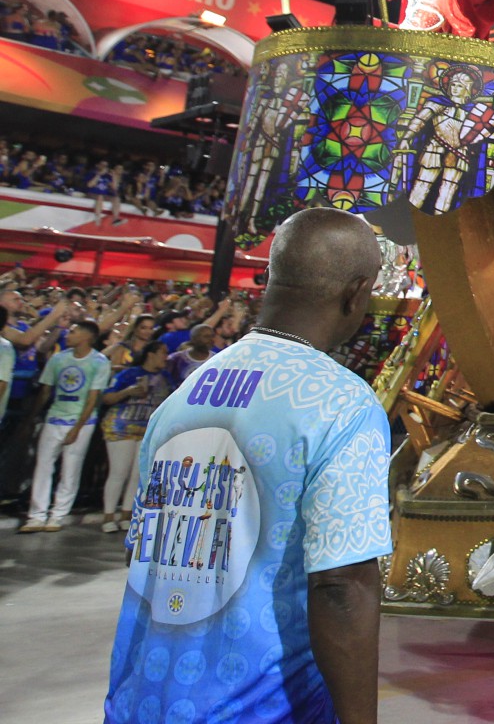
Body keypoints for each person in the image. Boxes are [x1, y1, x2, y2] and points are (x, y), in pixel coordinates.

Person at [105, 206, 390, 724]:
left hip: (141, 697)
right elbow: (343, 584)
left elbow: (146, 555)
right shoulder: (341, 403)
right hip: (264, 707)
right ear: (356, 292)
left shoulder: (183, 397)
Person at [21, 317, 110, 532]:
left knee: (71, 469)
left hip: (82, 422)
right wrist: (32, 417)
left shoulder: (99, 362)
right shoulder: (58, 359)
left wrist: (77, 428)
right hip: (54, 418)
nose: (68, 335)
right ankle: (36, 515)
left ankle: (58, 515)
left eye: (73, 332)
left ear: (87, 336)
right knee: (43, 465)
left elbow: (92, 398)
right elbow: (45, 390)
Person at [97, 341, 170, 534]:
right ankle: (108, 515)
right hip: (122, 426)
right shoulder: (128, 374)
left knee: (137, 474)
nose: (166, 357)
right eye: (163, 353)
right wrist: (129, 391)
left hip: (145, 429)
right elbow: (107, 398)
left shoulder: (166, 378)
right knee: (119, 472)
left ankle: (126, 515)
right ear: (151, 354)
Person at [2, 284, 72, 427]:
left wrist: (59, 327)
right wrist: (53, 315)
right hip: (8, 388)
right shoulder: (3, 329)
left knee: (16, 433)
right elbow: (24, 340)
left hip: (27, 390)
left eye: (20, 298)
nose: (20, 301)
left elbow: (42, 348)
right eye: (15, 299)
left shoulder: (24, 326)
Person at [165, 321, 219, 387]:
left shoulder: (217, 360)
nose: (211, 340)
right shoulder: (175, 359)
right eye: (206, 336)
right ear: (194, 338)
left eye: (212, 336)